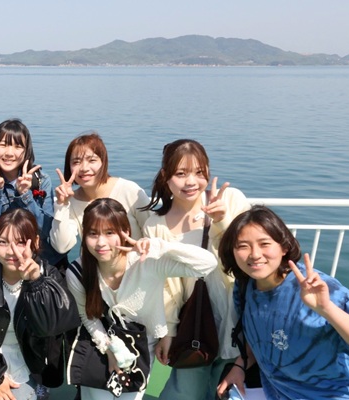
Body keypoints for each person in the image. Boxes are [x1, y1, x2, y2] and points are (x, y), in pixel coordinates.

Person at [66, 198, 216, 400]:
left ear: (125, 232)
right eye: (93, 233)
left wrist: (160, 246)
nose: (101, 243)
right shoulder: (78, 272)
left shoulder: (147, 262)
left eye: (109, 233)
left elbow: (207, 264)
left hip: (141, 346)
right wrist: (108, 350)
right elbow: (88, 317)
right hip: (100, 343)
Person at [140, 139, 250, 400]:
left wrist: (222, 221)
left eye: (199, 172)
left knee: (227, 390)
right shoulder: (156, 224)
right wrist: (168, 331)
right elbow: (165, 286)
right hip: (192, 319)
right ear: (166, 176)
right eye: (181, 173)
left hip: (234, 312)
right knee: (186, 391)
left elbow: (245, 255)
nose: (191, 182)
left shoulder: (230, 200)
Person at [216, 206, 349, 399]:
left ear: (284, 247)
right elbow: (258, 336)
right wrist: (239, 366)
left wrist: (327, 308)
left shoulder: (321, 289)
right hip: (274, 390)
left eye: (264, 244)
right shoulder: (245, 286)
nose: (255, 254)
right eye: (243, 246)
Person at [0, 208, 80, 400]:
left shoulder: (48, 275)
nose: (12, 251)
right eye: (3, 242)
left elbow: (55, 327)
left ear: (36, 242)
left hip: (32, 365)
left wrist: (36, 283)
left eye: (20, 242)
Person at [0, 119, 65, 268]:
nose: (9, 153)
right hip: (8, 262)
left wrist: (25, 194)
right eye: (3, 145)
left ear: (26, 151)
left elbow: (45, 231)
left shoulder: (40, 180)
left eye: (18, 146)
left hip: (43, 263)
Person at [50, 131, 150, 257]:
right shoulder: (71, 201)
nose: (84, 168)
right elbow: (61, 246)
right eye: (76, 162)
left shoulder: (130, 191)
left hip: (137, 265)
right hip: (96, 267)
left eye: (92, 160)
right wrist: (62, 205)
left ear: (103, 162)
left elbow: (153, 234)